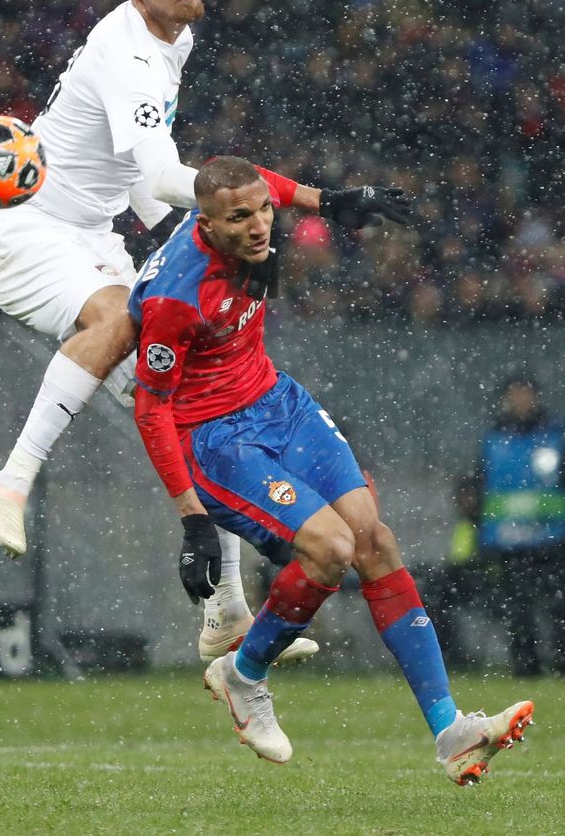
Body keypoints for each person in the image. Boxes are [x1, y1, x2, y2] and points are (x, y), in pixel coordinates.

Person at [0, 0, 324, 663]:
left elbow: (138, 175)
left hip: (93, 239)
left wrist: (184, 247)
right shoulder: (125, 51)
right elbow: (165, 173)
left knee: (196, 401)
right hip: (31, 234)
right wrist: (239, 206)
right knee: (120, 321)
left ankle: (228, 610)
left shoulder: (178, 38)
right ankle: (10, 482)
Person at [129, 156, 534, 783]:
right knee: (331, 549)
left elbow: (262, 180)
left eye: (263, 208)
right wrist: (193, 520)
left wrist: (330, 199)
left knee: (374, 540)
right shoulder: (174, 299)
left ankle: (451, 731)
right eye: (240, 217)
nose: (261, 223)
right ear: (203, 223)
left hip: (277, 402)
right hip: (217, 439)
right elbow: (151, 409)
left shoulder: (243, 216)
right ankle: (244, 676)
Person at [475, 374, 565, 676]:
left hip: (552, 538)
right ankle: (526, 667)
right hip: (507, 540)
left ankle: (559, 664)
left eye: (526, 394)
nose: (521, 400)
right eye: (516, 394)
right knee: (517, 610)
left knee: (557, 609)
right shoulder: (493, 439)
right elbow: (480, 489)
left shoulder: (555, 436)